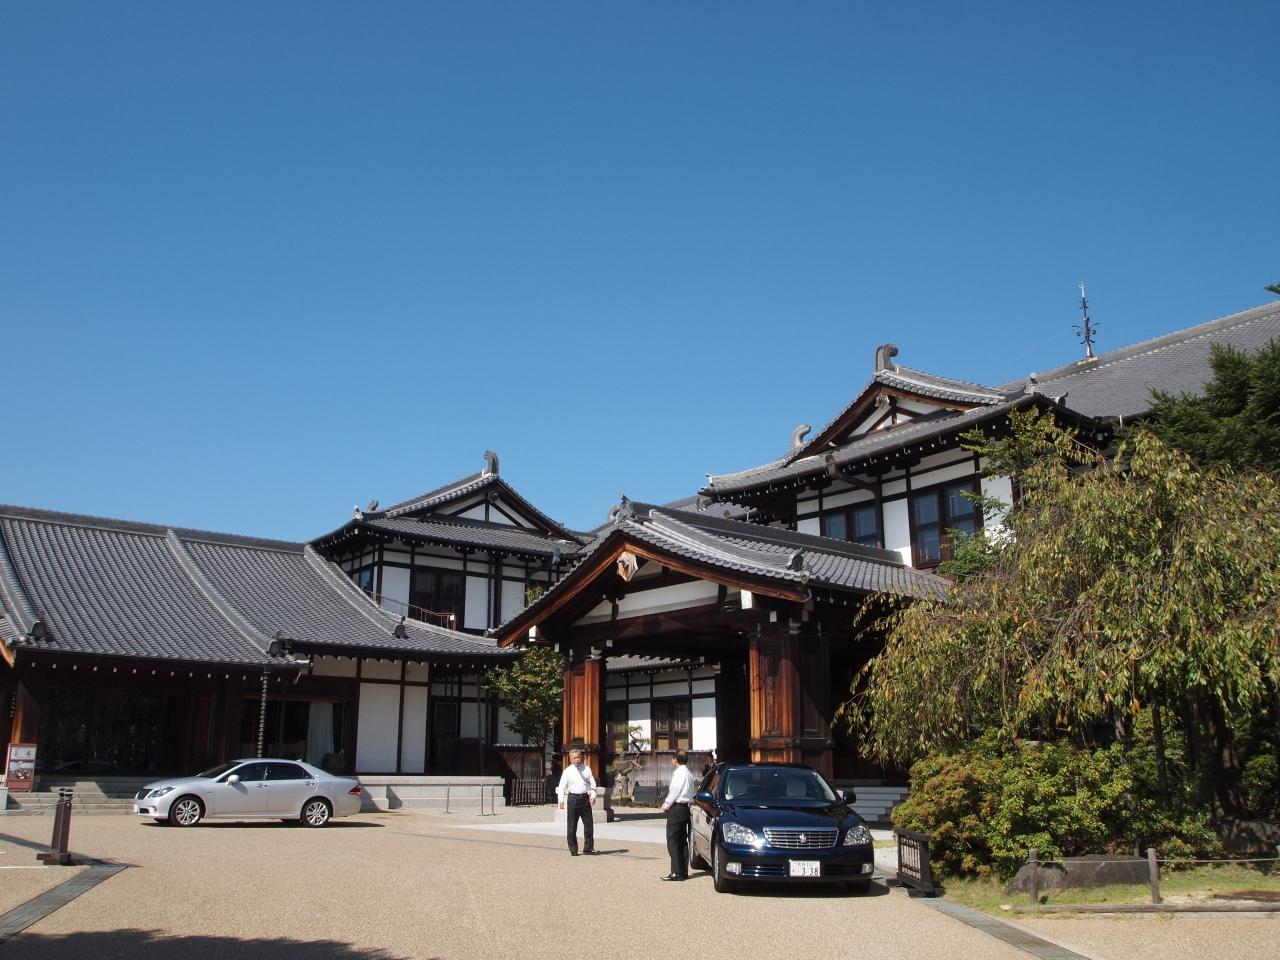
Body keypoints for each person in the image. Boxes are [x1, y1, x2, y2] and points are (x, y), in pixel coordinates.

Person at [660, 749, 696, 880]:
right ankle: (682, 870)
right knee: (682, 840)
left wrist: (666, 804)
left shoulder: (679, 773)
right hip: (685, 808)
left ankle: (676, 871)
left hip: (677, 807)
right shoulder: (689, 774)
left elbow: (675, 790)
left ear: (675, 760)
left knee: (673, 839)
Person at [556, 747, 597, 856]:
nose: (577, 760)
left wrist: (593, 795)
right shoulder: (567, 771)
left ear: (581, 757)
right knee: (572, 826)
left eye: (578, 757)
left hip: (584, 798)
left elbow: (592, 784)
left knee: (589, 825)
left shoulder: (587, 769)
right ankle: (573, 849)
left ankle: (588, 848)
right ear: (570, 759)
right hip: (573, 798)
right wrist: (561, 800)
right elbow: (562, 786)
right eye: (574, 758)